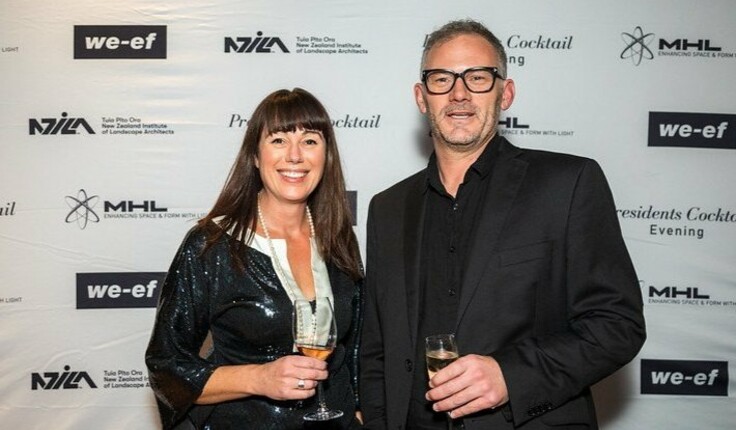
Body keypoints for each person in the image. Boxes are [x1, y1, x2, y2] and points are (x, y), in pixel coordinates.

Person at [360, 19, 646, 430]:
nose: (459, 93)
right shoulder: (387, 207)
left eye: (478, 77)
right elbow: (376, 351)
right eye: (442, 79)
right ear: (421, 98)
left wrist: (510, 375)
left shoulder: (567, 184)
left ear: (505, 93)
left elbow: (617, 326)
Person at [146, 88, 363, 429]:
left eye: (310, 141)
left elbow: (355, 346)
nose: (295, 156)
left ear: (327, 155)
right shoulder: (211, 245)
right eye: (278, 140)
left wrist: (361, 409)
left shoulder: (338, 238)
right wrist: (259, 378)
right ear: (255, 156)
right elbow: (167, 365)